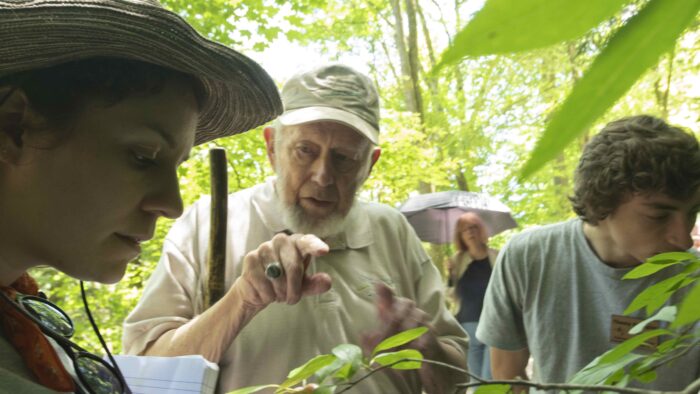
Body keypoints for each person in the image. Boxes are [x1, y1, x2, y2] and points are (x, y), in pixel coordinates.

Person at [122, 64, 469, 393]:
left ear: (370, 165)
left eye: (344, 157)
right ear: (272, 147)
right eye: (305, 150)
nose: (322, 176)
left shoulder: (392, 230)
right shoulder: (209, 223)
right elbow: (147, 377)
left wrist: (427, 348)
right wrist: (242, 299)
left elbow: (456, 381)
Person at [0, 0, 281, 392]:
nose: (172, 204)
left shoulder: (18, 317)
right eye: (143, 157)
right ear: (16, 127)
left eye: (177, 167)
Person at [477, 115, 700, 390]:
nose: (683, 238)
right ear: (602, 202)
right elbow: (505, 376)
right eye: (658, 216)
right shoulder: (528, 258)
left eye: (692, 213)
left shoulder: (695, 278)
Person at [446, 212, 499, 379]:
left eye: (473, 227)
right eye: (464, 230)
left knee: (489, 378)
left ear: (481, 230)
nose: (470, 232)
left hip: (494, 324)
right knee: (476, 380)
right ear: (460, 236)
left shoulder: (497, 256)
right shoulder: (457, 260)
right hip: (468, 326)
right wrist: (449, 275)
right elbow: (450, 296)